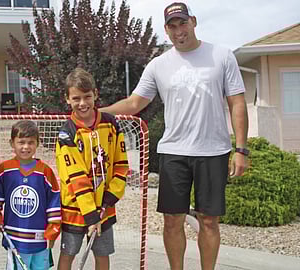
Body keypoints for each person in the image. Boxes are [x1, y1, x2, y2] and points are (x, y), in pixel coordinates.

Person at [100, 2, 249, 270]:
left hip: (213, 151)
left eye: (183, 23)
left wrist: (241, 149)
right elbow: (135, 103)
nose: (179, 30)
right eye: (172, 26)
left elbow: (237, 103)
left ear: (193, 21)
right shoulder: (159, 65)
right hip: (174, 152)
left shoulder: (222, 56)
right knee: (172, 220)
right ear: (166, 30)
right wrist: (95, 114)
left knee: (209, 220)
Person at [55, 68, 129, 270]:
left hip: (104, 207)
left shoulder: (111, 124)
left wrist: (110, 197)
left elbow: (121, 165)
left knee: (102, 255)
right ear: (67, 99)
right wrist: (90, 216)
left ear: (95, 94)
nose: (82, 103)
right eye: (76, 98)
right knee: (68, 254)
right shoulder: (66, 133)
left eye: (87, 97)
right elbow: (76, 178)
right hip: (76, 209)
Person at [0, 120, 61, 270]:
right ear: (12, 143)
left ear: (38, 143)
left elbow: (53, 200)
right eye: (21, 142)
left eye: (31, 142)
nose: (26, 147)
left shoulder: (45, 171)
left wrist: (53, 228)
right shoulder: (4, 169)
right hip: (15, 238)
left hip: (40, 238)